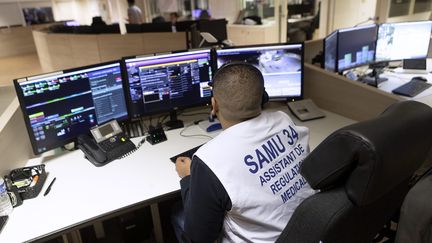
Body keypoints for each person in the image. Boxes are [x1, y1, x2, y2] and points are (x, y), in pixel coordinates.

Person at [174, 63, 316, 242]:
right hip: (305, 231)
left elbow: (198, 238)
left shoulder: (209, 159)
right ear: (263, 97)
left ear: (214, 104)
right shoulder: (284, 120)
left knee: (177, 215)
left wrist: (187, 177)